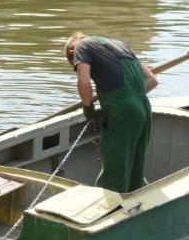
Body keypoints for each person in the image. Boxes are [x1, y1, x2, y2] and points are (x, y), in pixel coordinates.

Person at [64, 32, 159, 194]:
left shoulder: (81, 46)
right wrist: (131, 98)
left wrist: (89, 109)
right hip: (144, 108)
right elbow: (152, 80)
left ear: (73, 55)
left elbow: (84, 82)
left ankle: (108, 213)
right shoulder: (119, 44)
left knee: (114, 173)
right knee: (134, 171)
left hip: (122, 112)